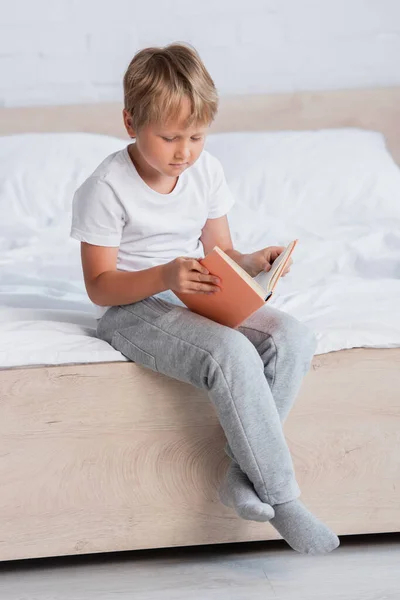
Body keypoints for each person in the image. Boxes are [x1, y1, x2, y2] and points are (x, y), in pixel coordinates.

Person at [70, 42, 339, 555]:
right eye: (169, 137)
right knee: (231, 353)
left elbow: (219, 251)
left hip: (191, 290)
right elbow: (99, 285)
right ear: (131, 123)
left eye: (195, 136)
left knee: (294, 338)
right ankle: (283, 500)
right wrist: (166, 275)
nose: (184, 152)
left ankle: (241, 477)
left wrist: (253, 261)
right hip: (133, 308)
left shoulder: (205, 169)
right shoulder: (105, 186)